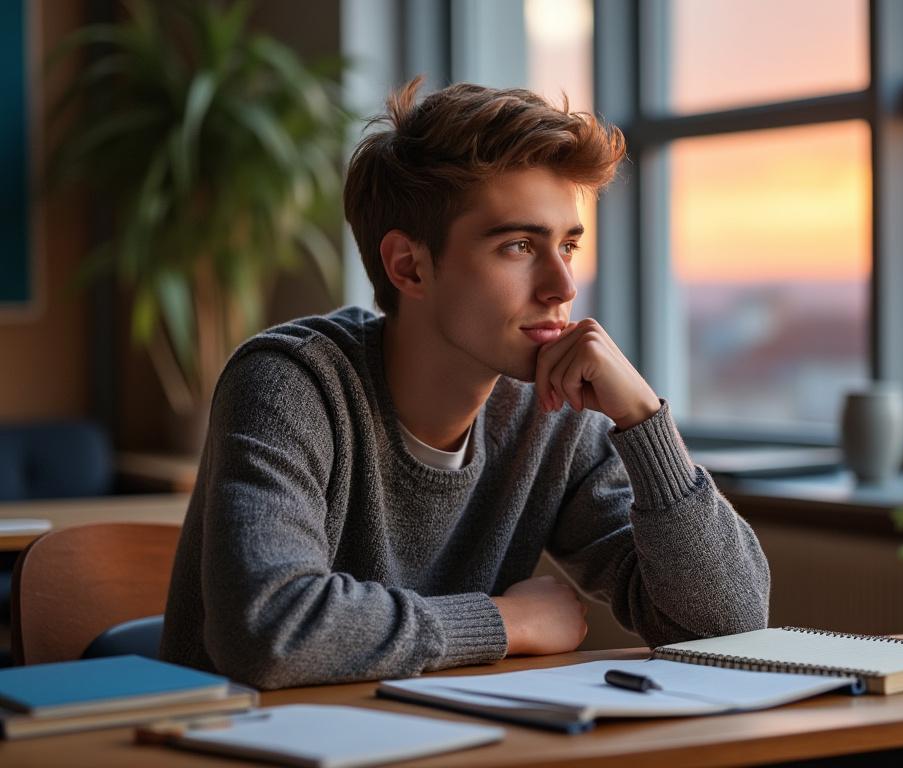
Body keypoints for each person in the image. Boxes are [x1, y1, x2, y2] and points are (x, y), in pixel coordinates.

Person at [160, 79, 771, 689]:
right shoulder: (291, 383)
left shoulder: (551, 411)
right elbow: (268, 634)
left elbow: (729, 622)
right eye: (518, 245)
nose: (562, 286)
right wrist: (505, 622)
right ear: (410, 266)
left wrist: (643, 422)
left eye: (569, 245)